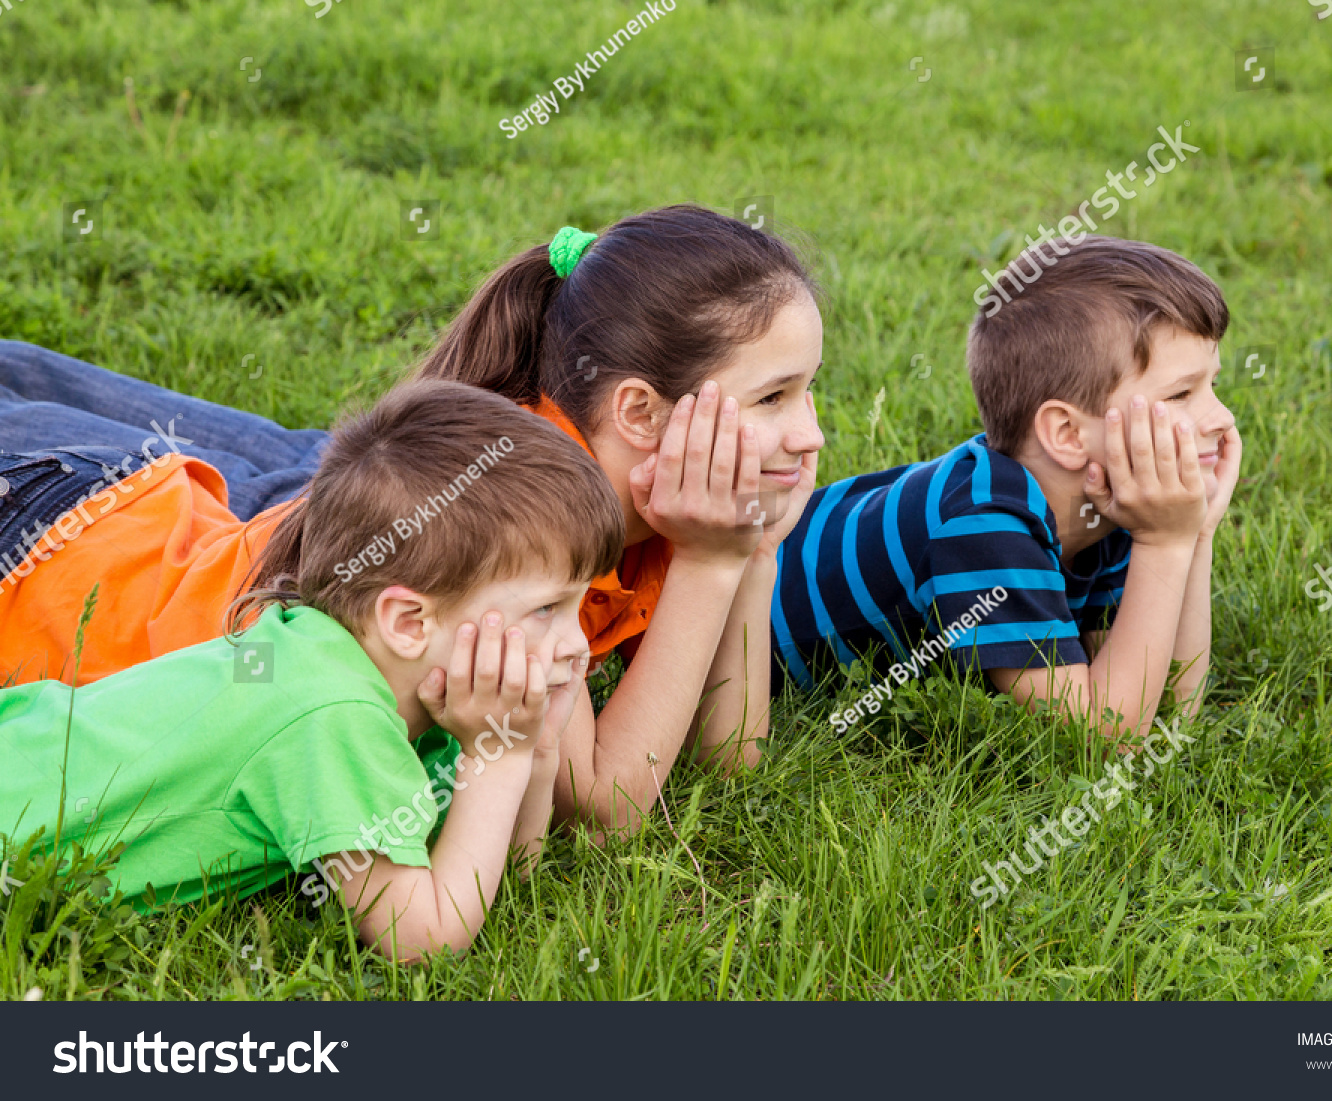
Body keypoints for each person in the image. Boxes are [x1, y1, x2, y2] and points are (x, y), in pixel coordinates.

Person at [0, 204, 826, 836]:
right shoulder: (533, 528)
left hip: (211, 515)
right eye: (773, 397)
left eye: (808, 389)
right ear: (641, 413)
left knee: (312, 473)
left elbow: (733, 759)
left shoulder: (629, 487)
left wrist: (752, 550)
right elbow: (607, 803)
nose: (812, 433)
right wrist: (714, 561)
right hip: (63, 546)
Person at [0, 379, 623, 961]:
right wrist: (500, 759)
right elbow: (422, 938)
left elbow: (511, 871)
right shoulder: (332, 714)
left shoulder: (377, 677)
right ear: (409, 623)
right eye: (546, 609)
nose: (576, 646)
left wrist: (533, 749)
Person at [773, 235, 1242, 743]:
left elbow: (1169, 705)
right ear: (1067, 434)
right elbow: (1102, 737)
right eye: (1181, 394)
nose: (1222, 418)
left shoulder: (1113, 504)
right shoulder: (984, 526)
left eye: (1212, 386)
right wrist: (1165, 543)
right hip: (735, 631)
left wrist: (1194, 536)